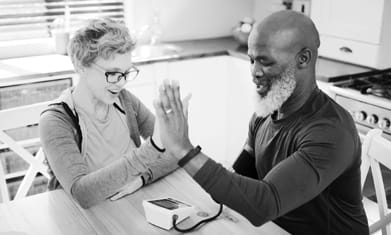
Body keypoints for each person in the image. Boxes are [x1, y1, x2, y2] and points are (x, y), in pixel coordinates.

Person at [153, 11, 369, 234]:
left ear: (303, 59)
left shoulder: (330, 131)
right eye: (252, 60)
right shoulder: (264, 114)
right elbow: (238, 182)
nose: (254, 72)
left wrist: (184, 150)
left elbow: (264, 204)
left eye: (265, 62)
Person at [39, 17, 177, 209]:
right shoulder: (56, 120)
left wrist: (142, 178)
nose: (121, 83)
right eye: (112, 73)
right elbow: (83, 193)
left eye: (125, 73)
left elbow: (175, 151)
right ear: (81, 67)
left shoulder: (125, 101)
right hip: (80, 218)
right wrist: (152, 149)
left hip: (130, 208)